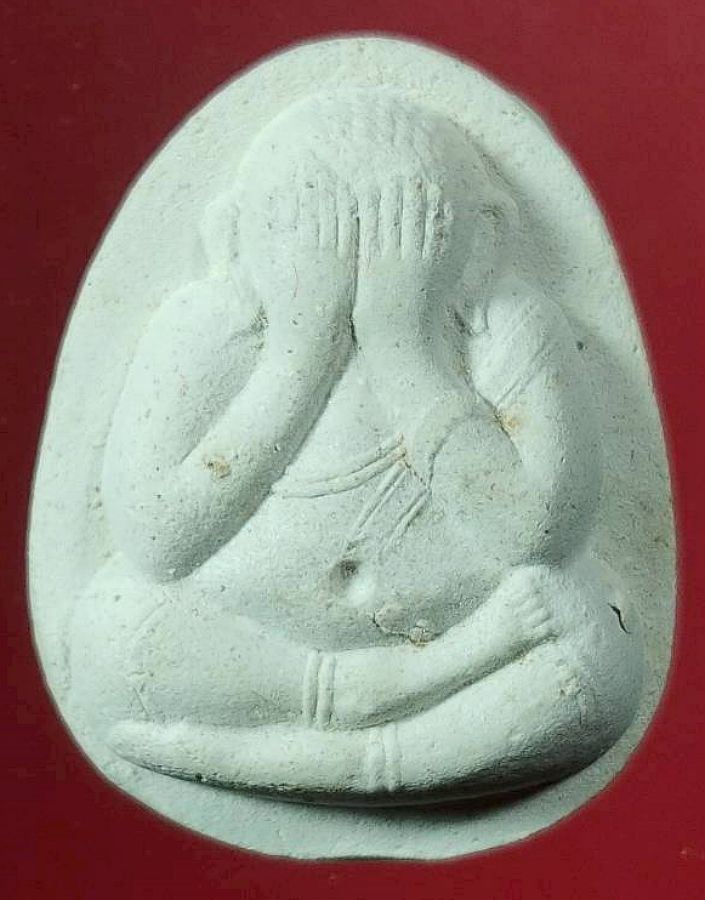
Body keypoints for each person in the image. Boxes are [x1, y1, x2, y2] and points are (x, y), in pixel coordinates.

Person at [69, 89, 642, 803]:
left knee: (590, 643)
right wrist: (302, 349)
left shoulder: (507, 323)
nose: (355, 252)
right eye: (308, 222)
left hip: (471, 636)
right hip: (255, 648)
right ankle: (352, 703)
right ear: (234, 235)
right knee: (109, 629)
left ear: (484, 233)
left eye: (403, 222)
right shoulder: (205, 324)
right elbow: (157, 543)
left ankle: (366, 760)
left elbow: (536, 535)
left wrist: (401, 340)